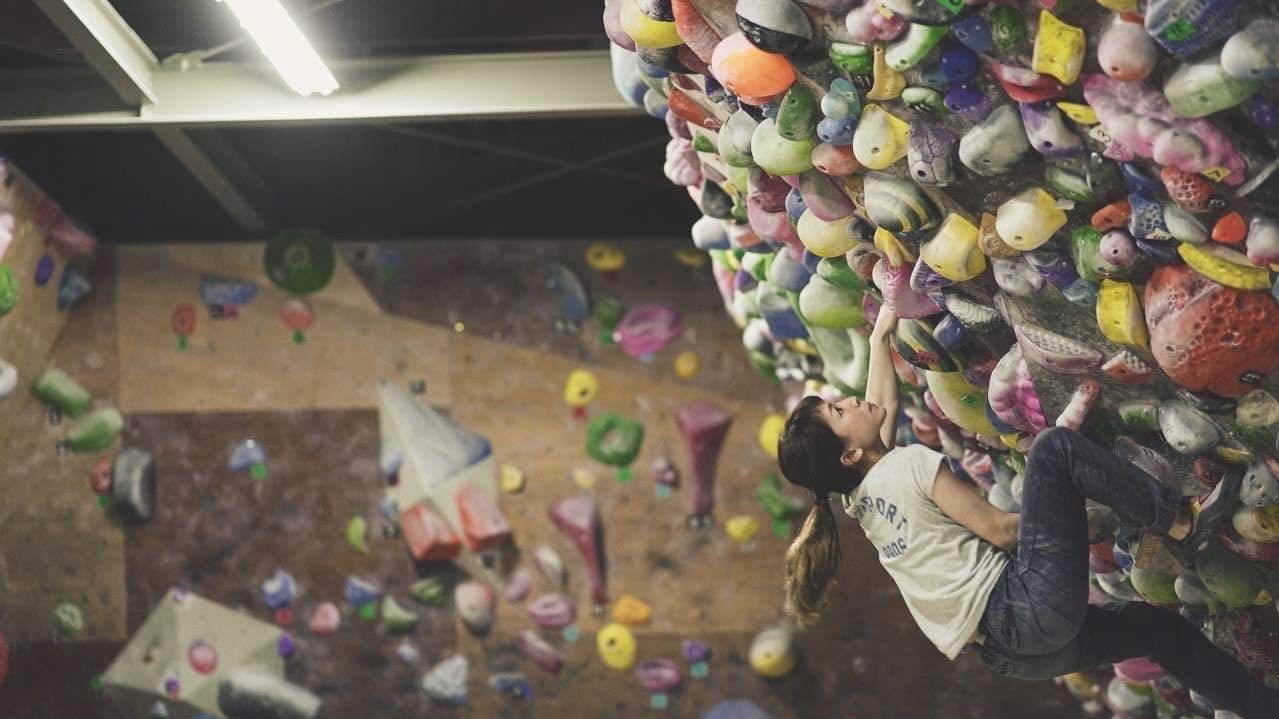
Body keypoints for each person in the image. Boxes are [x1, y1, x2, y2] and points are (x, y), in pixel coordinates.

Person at [777, 306, 1279, 718]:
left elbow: (874, 408)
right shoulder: (906, 464)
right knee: (1054, 450)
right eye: (839, 412)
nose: (848, 401)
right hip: (1023, 606)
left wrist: (879, 336)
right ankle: (1179, 520)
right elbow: (997, 530)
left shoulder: (858, 497)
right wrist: (1066, 515)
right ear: (848, 454)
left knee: (1161, 633)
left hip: (1012, 654)